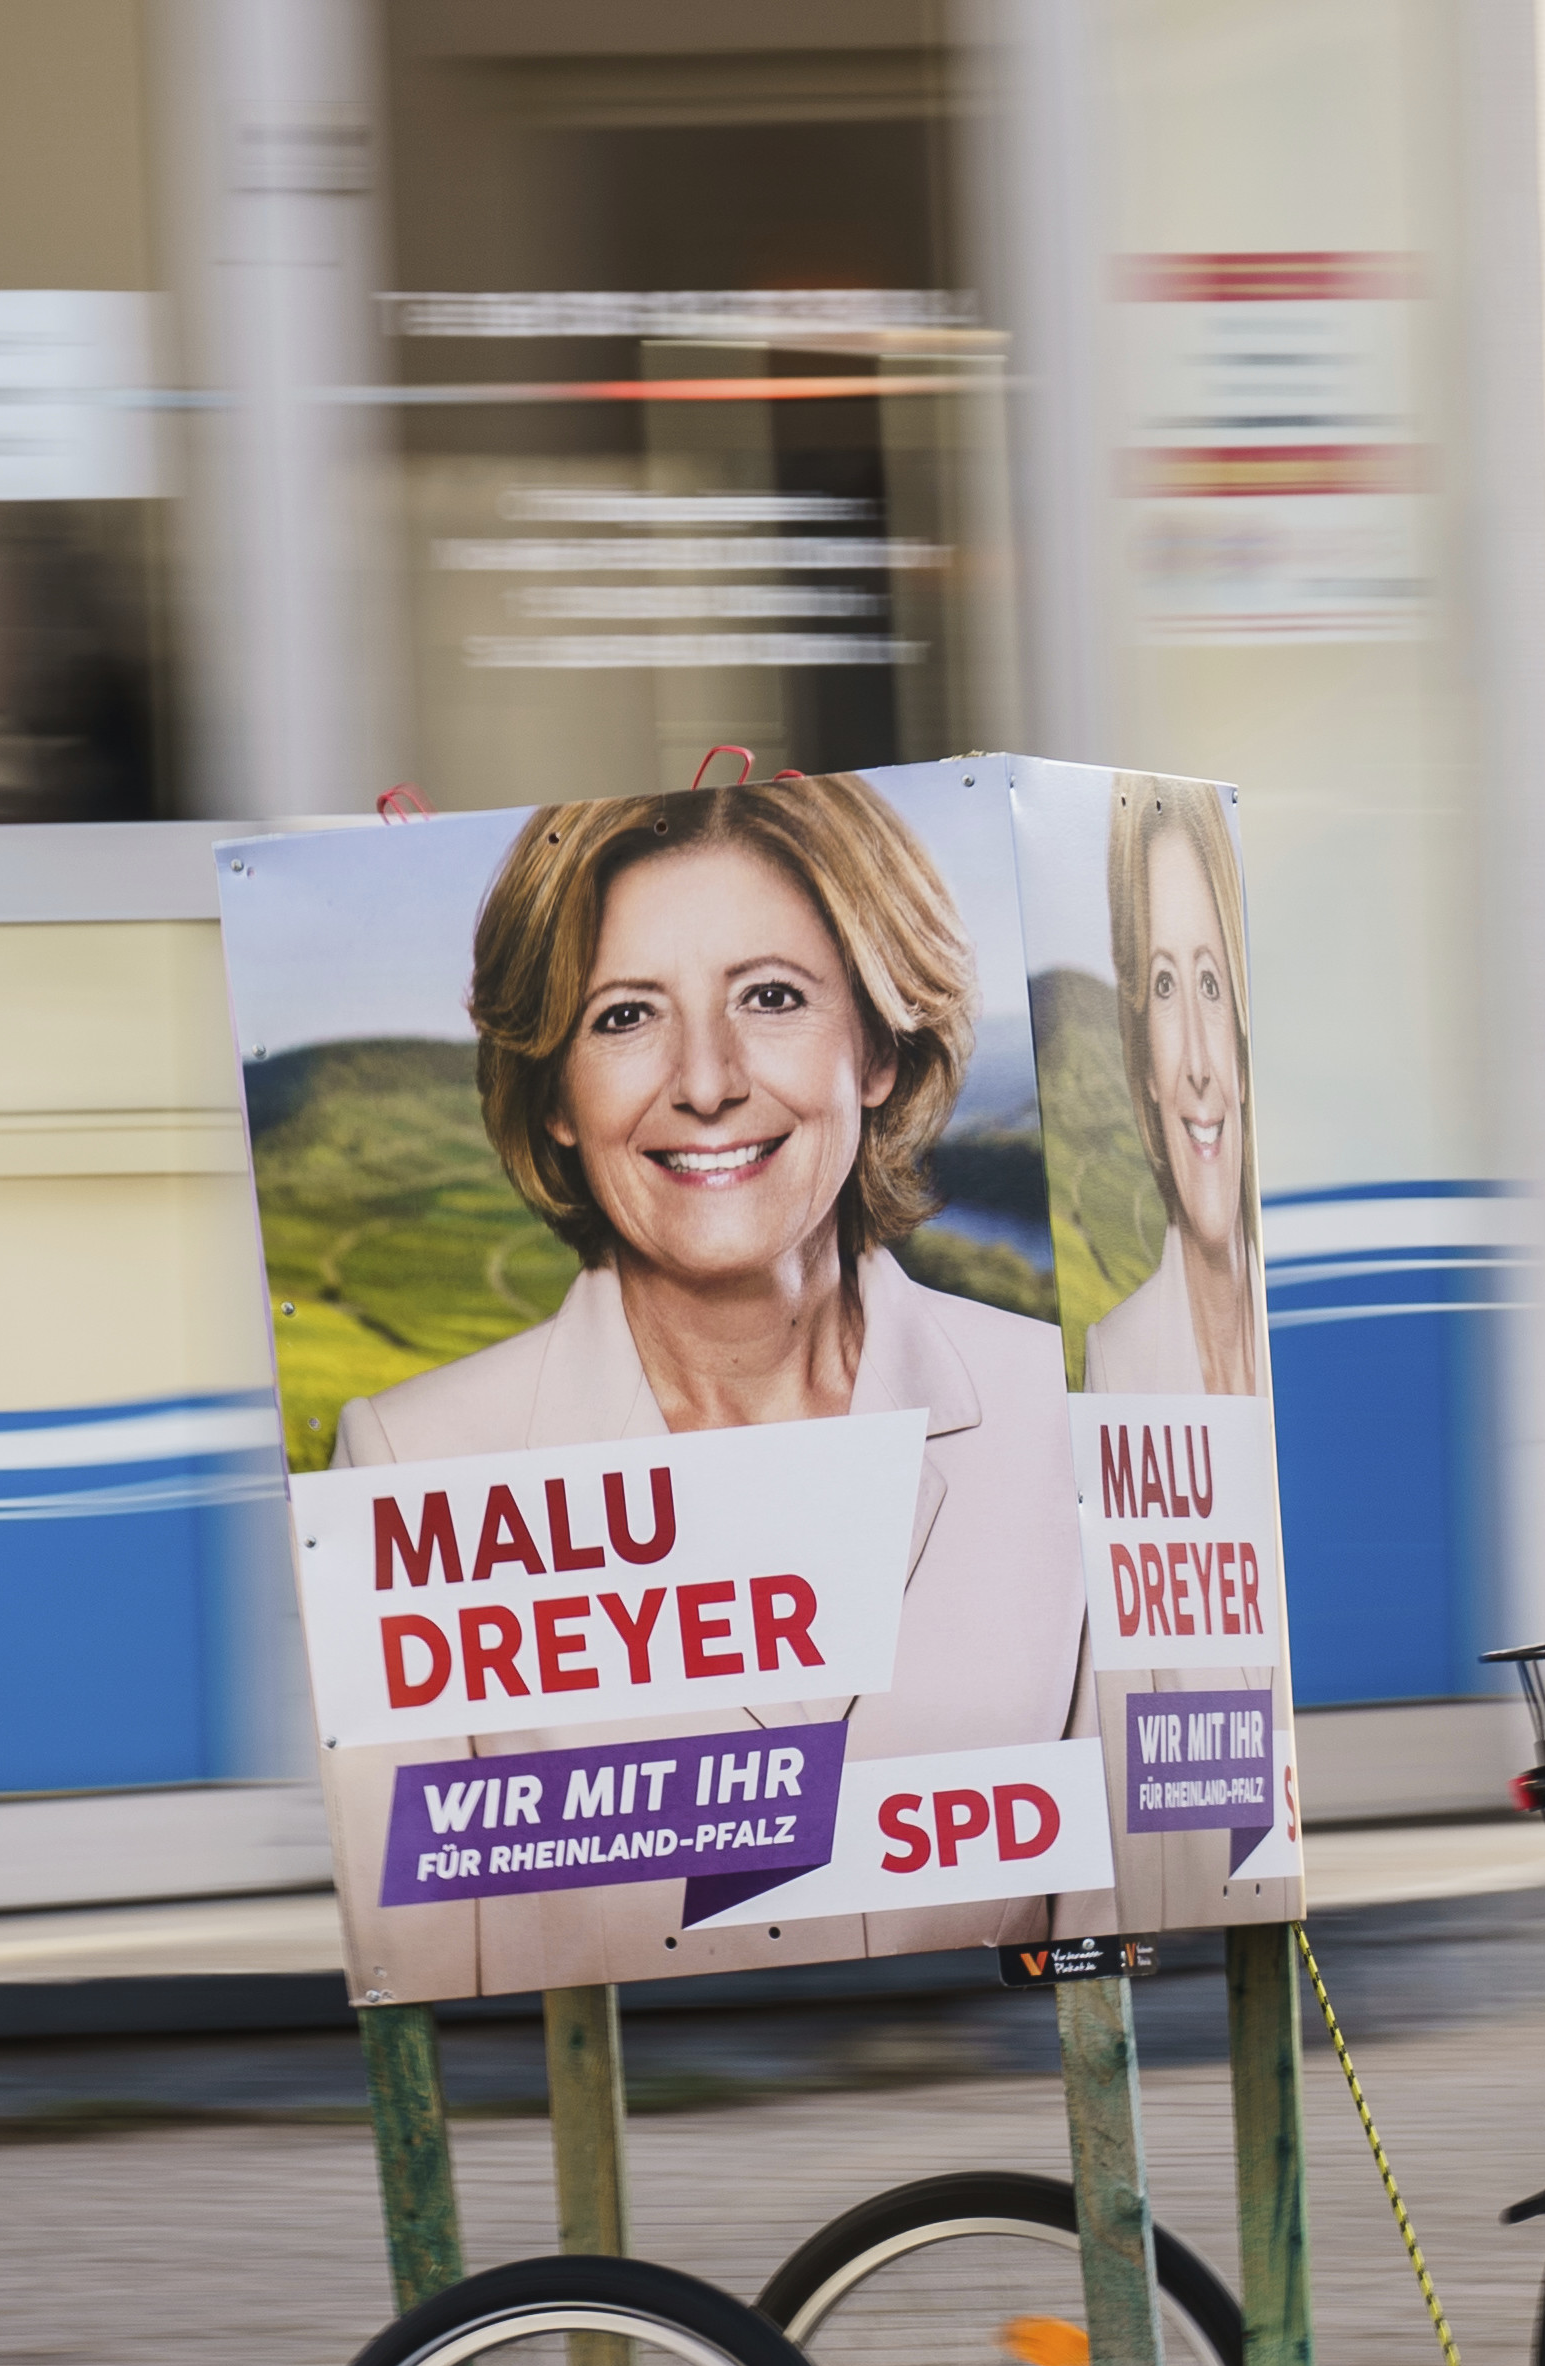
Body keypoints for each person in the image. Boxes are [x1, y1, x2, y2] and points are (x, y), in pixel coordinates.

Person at [326, 771, 1087, 1998]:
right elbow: (430, 1965)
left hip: (977, 2119)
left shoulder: (1051, 1412)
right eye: (626, 1017)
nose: (707, 1081)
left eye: (772, 998)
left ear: (879, 1046)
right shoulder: (420, 1463)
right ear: (558, 1095)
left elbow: (1109, 1908)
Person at [1078, 771, 1265, 1397]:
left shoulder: (1310, 1318)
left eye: (1211, 984)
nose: (1196, 1067)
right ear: (1144, 1062)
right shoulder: (1114, 1364)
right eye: (1163, 985)